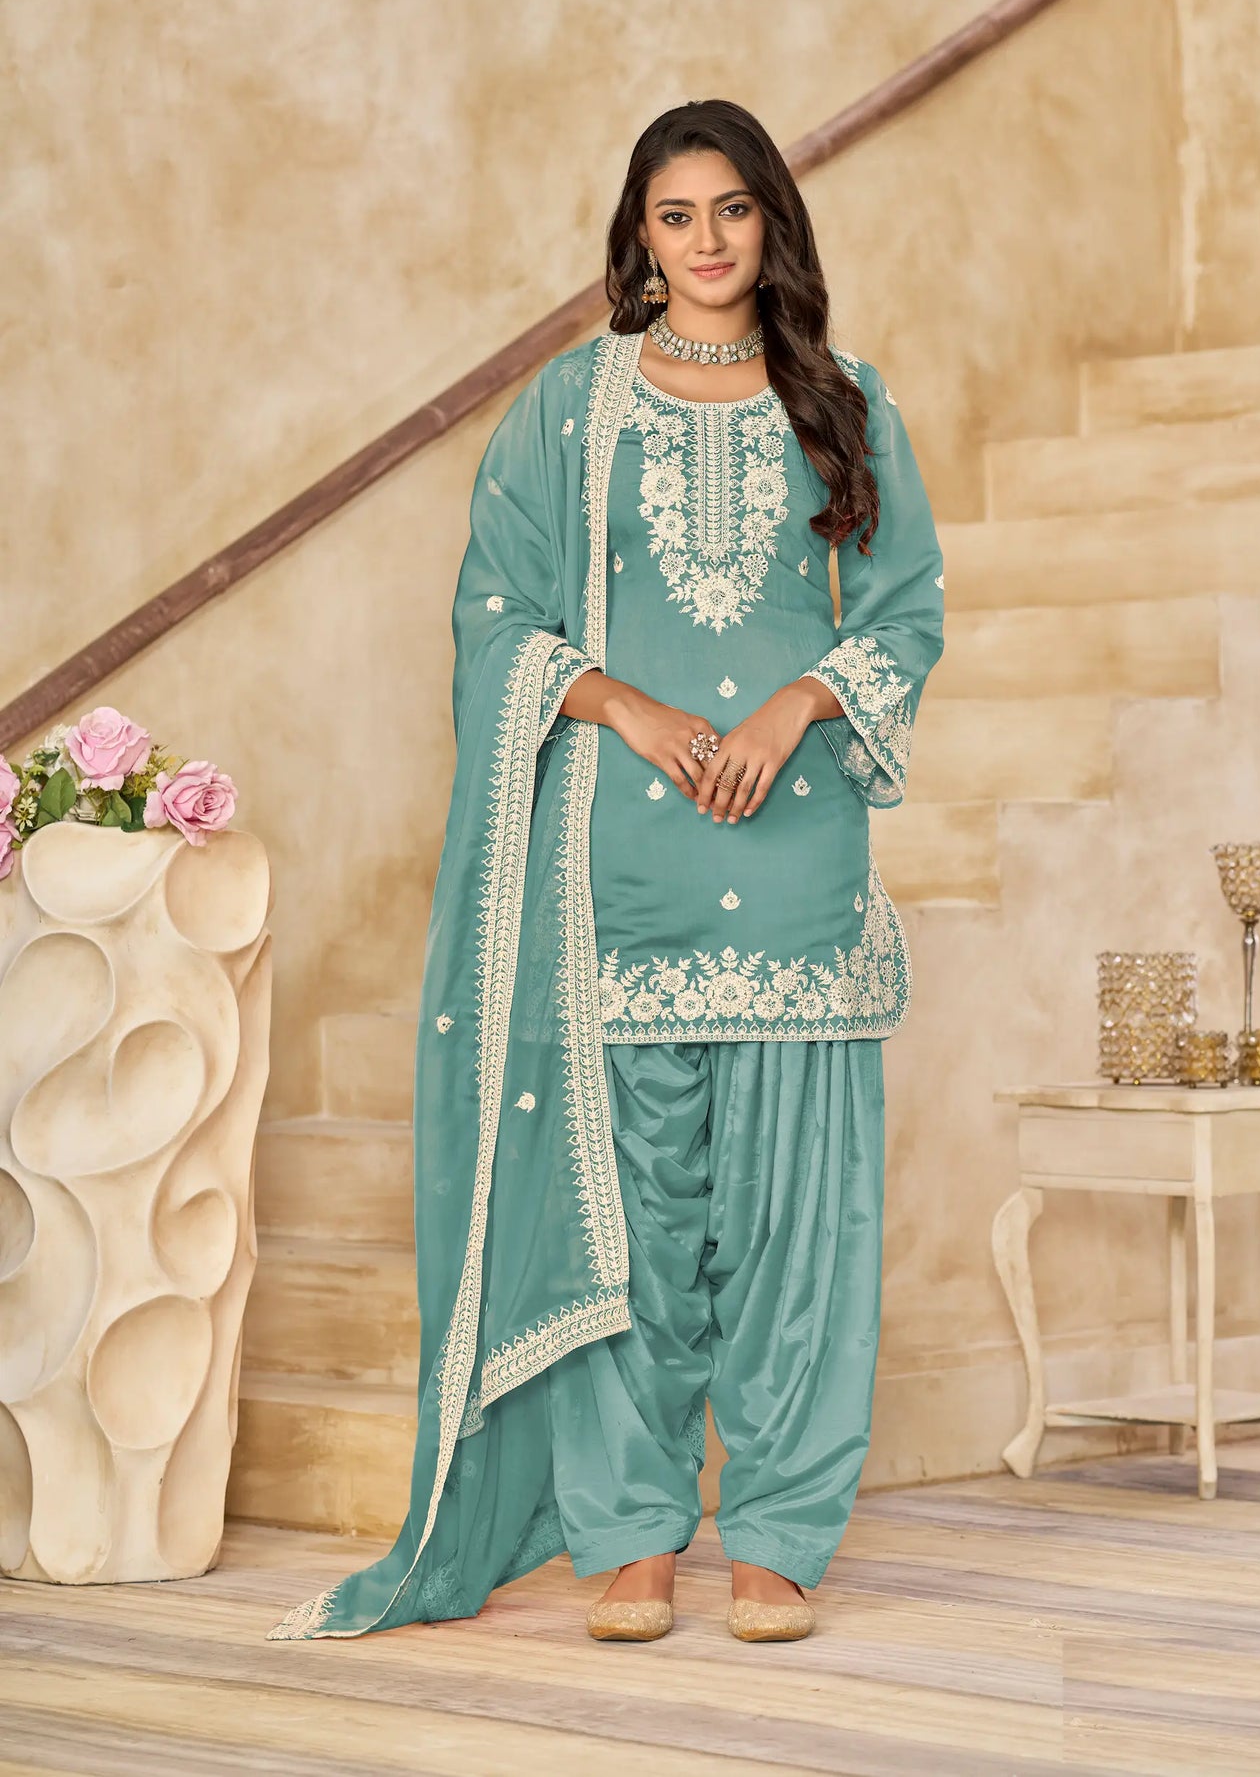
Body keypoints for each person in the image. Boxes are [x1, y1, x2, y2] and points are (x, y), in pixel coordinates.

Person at [268, 98, 945, 1648]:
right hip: (615, 869)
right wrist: (628, 706)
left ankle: (777, 1531)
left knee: (792, 1222)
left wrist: (795, 703)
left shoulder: (844, 402)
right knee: (629, 1217)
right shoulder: (568, 411)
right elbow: (495, 614)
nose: (706, 241)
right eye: (674, 214)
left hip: (794, 854)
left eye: (732, 210)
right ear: (638, 235)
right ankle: (631, 1527)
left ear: (771, 223)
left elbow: (903, 607)